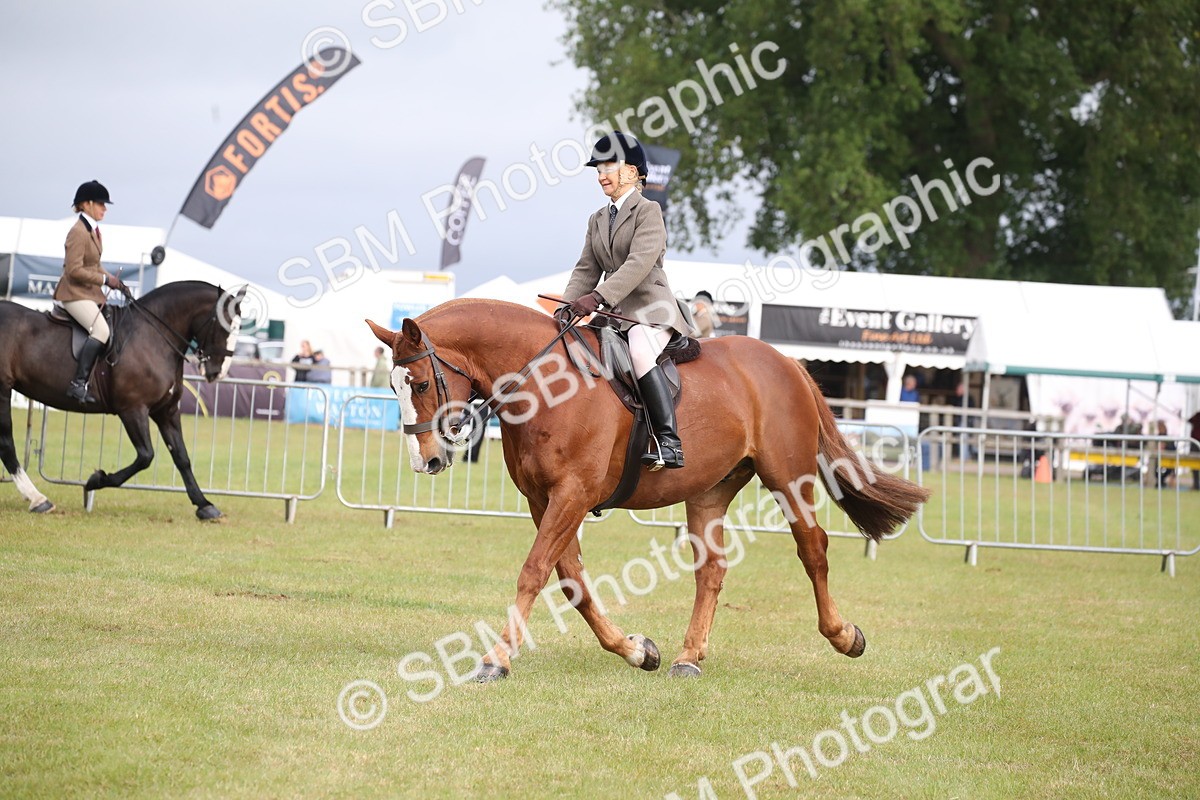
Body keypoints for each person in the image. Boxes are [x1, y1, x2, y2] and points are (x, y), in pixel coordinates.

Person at [562, 131, 689, 470]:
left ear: (632, 172)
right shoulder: (597, 219)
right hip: (614, 317)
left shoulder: (649, 211)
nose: (601, 175)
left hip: (651, 311)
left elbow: (639, 263)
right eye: (598, 169)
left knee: (640, 351)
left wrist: (599, 296)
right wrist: (566, 307)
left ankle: (669, 442)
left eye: (609, 167)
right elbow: (586, 268)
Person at [55, 180, 127, 403]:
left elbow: (94, 265)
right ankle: (78, 384)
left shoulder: (92, 230)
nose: (104, 208)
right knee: (101, 332)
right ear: (86, 204)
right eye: (100, 204)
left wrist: (112, 281)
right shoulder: (78, 232)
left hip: (87, 293)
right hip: (73, 294)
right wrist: (105, 279)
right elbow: (74, 270)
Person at [1191, 411, 1200, 490]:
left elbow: (1189, 420)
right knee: (1194, 466)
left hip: (1195, 443)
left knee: (1195, 467)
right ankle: (1196, 484)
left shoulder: (1197, 415)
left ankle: (1196, 484)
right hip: (1195, 443)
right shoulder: (1197, 415)